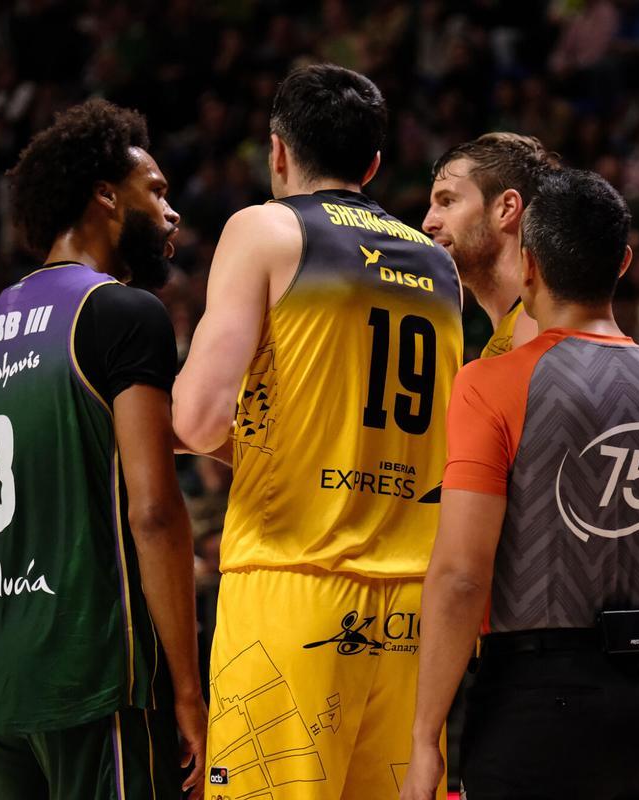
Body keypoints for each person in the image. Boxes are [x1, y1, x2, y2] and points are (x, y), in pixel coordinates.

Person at [172, 64, 462, 800]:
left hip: (292, 586)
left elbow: (198, 418)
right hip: (413, 614)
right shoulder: (439, 267)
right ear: (372, 165)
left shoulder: (264, 229)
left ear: (277, 153)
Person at [402, 168, 639, 800]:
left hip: (535, 705)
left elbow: (462, 576)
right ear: (624, 263)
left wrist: (424, 740)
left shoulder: (488, 383)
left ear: (527, 264)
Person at [0, 98, 205, 799]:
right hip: (92, 674)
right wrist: (186, 688)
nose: (171, 210)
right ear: (103, 194)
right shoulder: (121, 312)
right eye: (154, 190)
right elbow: (152, 511)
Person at [422, 133, 556, 358]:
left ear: (506, 209)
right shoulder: (512, 334)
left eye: (447, 202)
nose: (428, 223)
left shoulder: (534, 331)